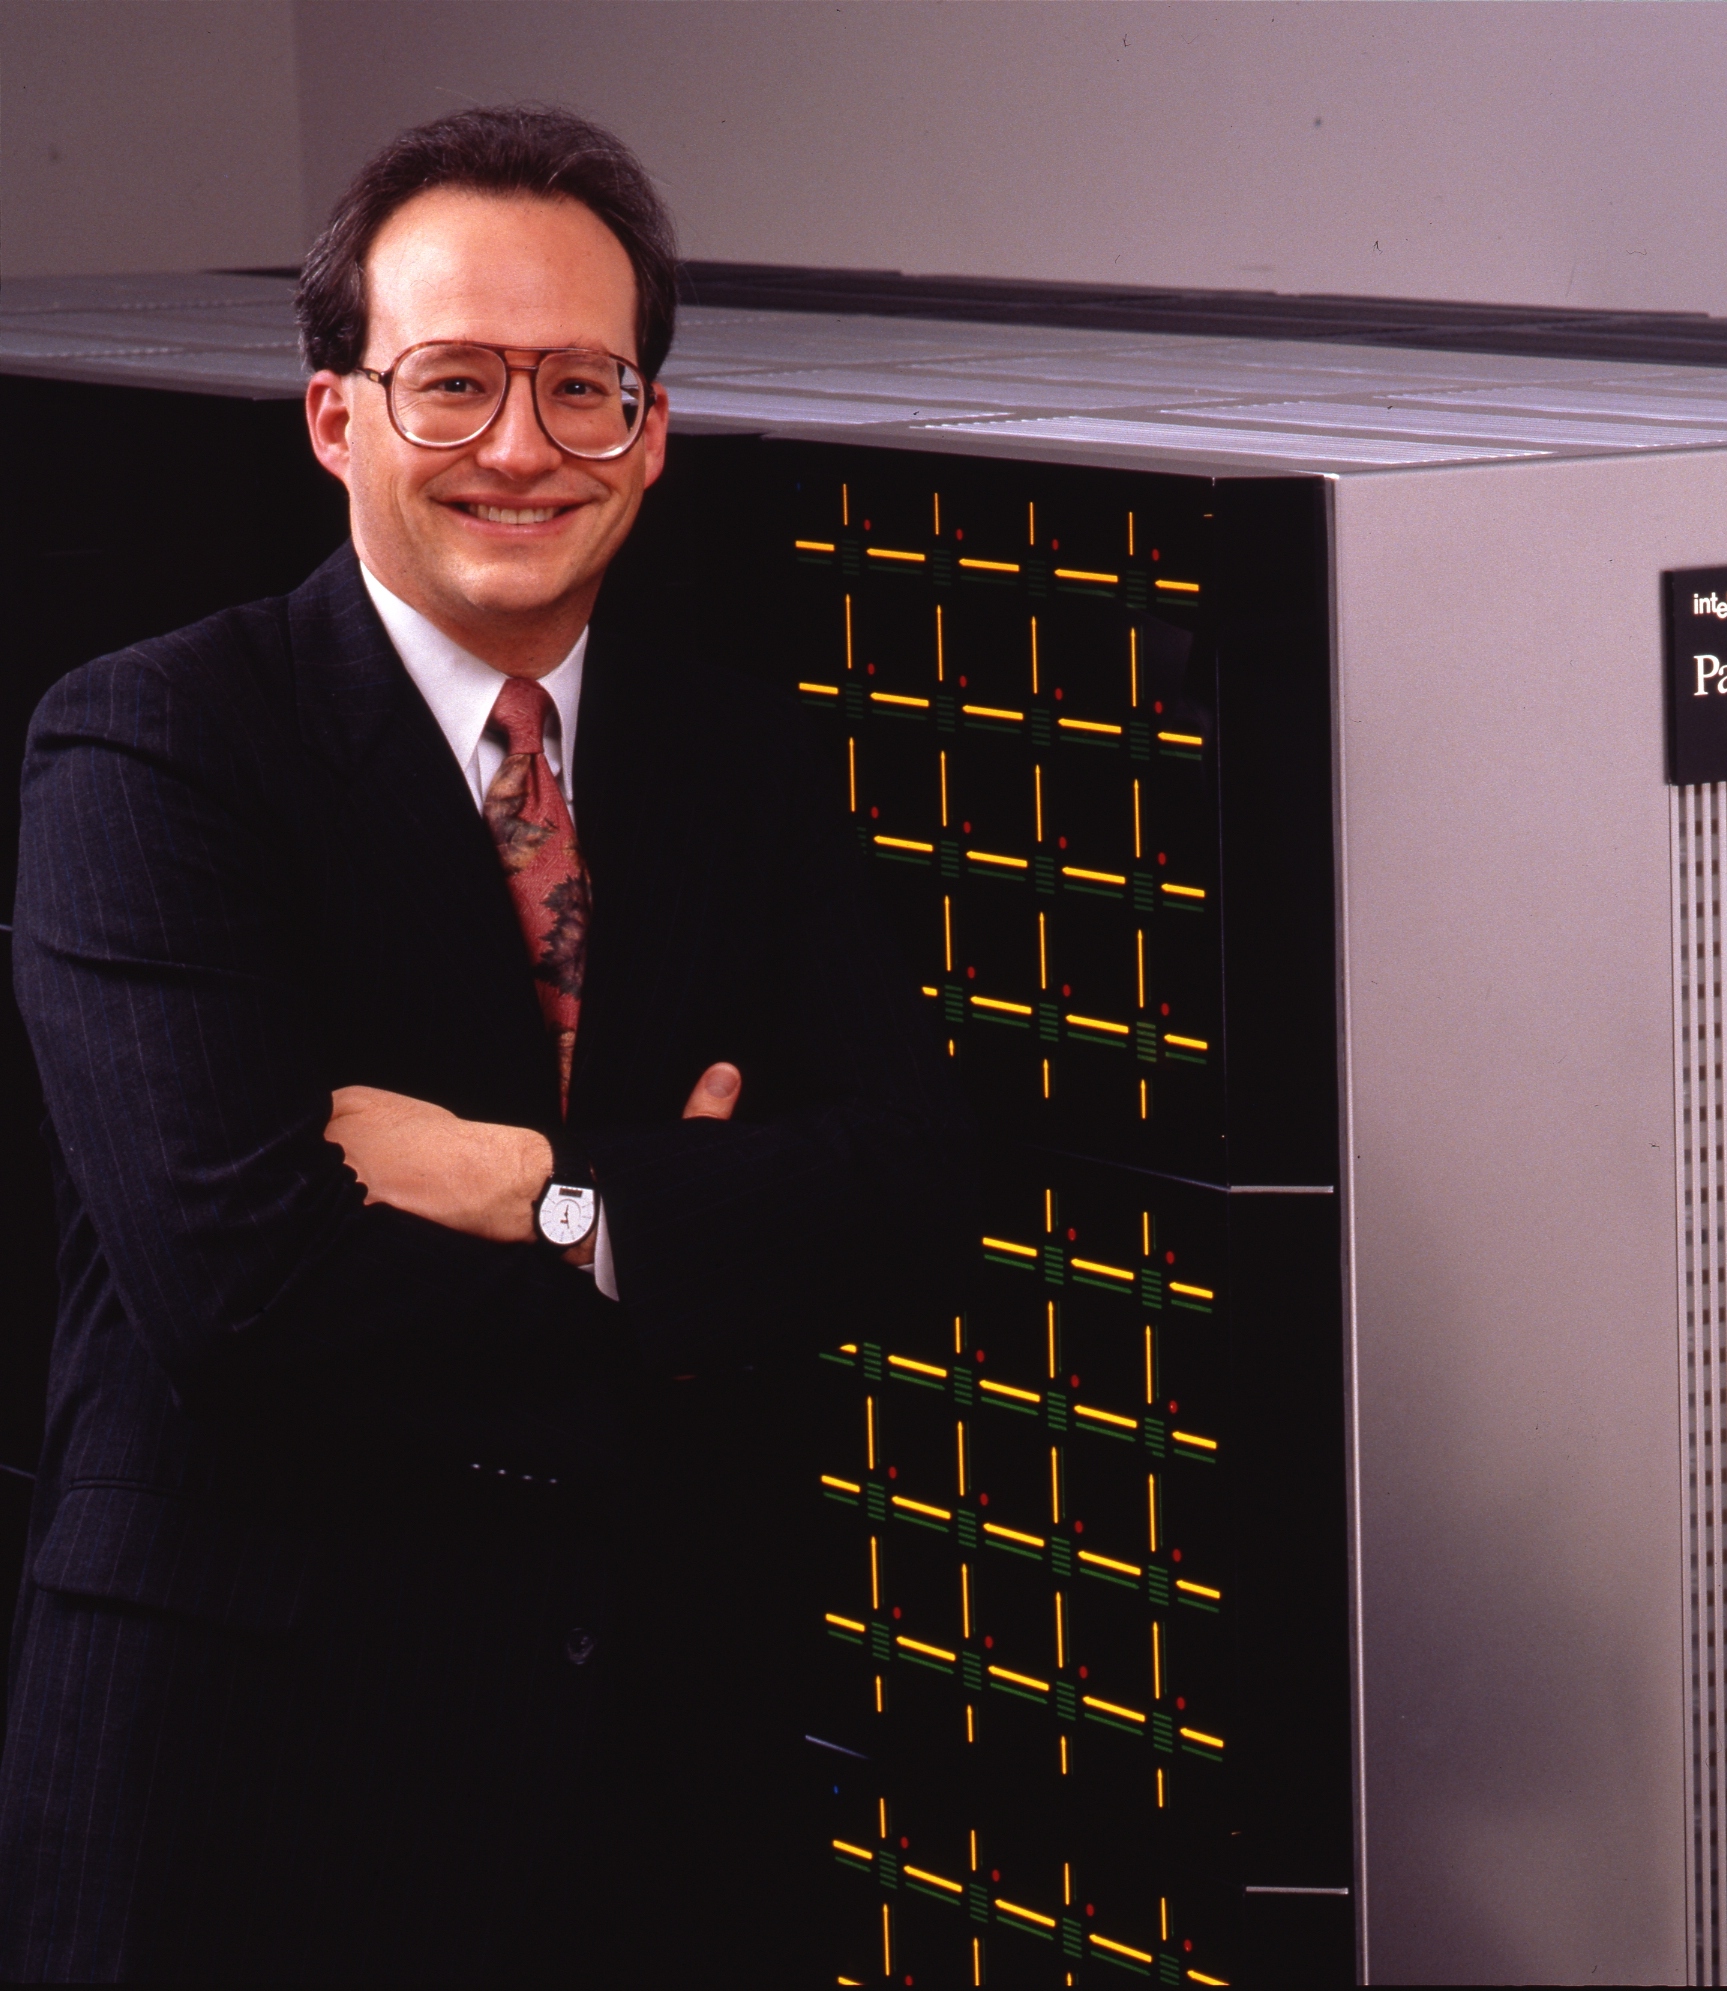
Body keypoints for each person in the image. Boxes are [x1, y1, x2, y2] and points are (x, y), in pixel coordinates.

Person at [0, 107, 963, 1980]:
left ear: (651, 432)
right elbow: (241, 1292)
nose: (521, 448)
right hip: (247, 1793)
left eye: (582, 387)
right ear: (335, 417)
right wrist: (696, 1241)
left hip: (658, 1785)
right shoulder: (150, 748)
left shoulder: (740, 761)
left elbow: (915, 1198)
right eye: (451, 382)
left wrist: (537, 1193)